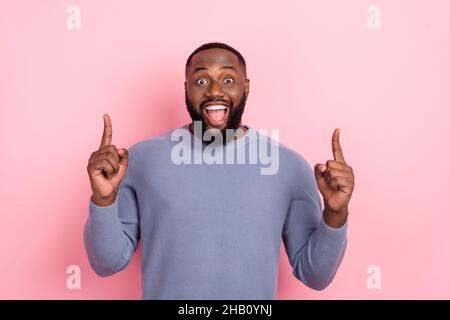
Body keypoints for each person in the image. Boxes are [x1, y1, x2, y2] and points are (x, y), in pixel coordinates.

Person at [84, 42, 355, 299]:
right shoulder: (141, 159)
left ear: (246, 87)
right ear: (186, 89)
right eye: (201, 81)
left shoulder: (288, 166)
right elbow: (107, 263)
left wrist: (335, 213)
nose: (214, 91)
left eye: (228, 79)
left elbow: (315, 276)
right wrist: (104, 200)